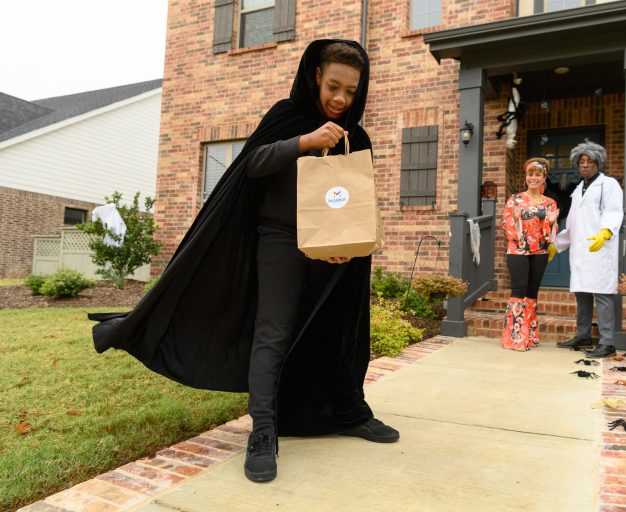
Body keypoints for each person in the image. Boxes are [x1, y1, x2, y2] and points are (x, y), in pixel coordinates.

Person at [87, 40, 398, 484]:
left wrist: (351, 242)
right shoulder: (286, 118)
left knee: (339, 327)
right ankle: (264, 432)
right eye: (333, 86)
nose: (341, 99)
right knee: (272, 332)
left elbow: (354, 199)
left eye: (351, 91)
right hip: (281, 241)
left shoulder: (356, 137)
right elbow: (252, 165)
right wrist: (305, 142)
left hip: (335, 251)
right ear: (315, 76)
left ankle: (349, 412)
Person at [552, 142, 624, 358]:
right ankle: (583, 336)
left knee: (602, 295)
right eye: (581, 162)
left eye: (589, 162)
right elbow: (573, 224)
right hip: (581, 251)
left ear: (598, 163)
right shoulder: (577, 190)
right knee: (582, 294)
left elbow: (614, 212)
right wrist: (557, 245)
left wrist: (605, 233)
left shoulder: (609, 185)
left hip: (600, 248)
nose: (584, 166)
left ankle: (607, 342)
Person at [501, 158, 559, 351]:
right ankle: (516, 337)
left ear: (544, 178)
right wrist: (516, 219)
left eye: (538, 174)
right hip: (518, 251)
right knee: (519, 290)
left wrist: (550, 222)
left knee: (532, 293)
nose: (533, 178)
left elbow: (550, 235)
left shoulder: (550, 203)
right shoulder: (515, 199)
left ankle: (531, 335)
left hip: (540, 251)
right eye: (530, 174)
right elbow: (507, 226)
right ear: (526, 177)